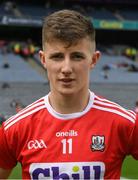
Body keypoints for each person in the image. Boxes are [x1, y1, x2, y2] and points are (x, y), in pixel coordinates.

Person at [0, 9, 138, 179]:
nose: (66, 68)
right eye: (57, 56)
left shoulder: (124, 123)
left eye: (77, 56)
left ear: (94, 60)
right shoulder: (15, 129)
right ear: (43, 60)